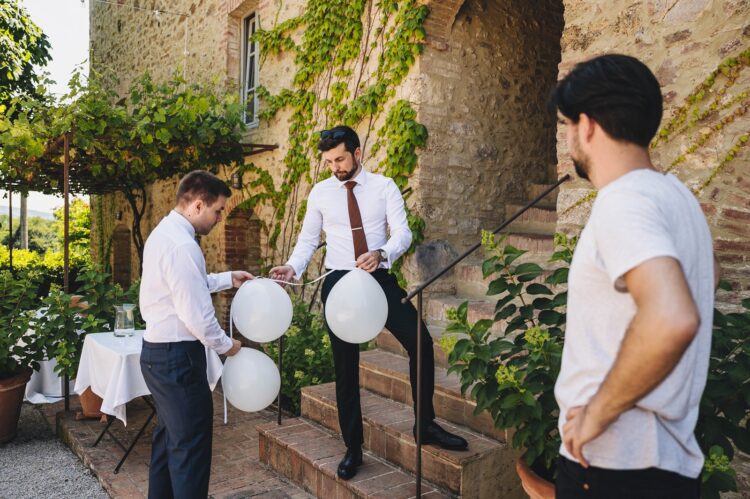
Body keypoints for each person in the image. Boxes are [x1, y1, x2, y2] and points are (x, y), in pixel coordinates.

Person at [552, 54, 718, 498]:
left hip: (612, 465)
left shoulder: (623, 201)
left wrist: (595, 415)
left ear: (585, 126)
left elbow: (672, 317)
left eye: (566, 125)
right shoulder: (678, 198)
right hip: (665, 467)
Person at [270, 125, 468, 480]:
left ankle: (425, 424)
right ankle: (353, 448)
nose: (335, 167)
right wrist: (292, 266)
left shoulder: (384, 186)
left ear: (357, 153)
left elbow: (403, 233)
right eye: (329, 161)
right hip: (339, 282)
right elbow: (307, 240)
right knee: (345, 366)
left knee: (420, 341)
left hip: (378, 276)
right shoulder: (320, 193)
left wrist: (382, 253)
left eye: (341, 159)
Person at [139, 170, 252, 499]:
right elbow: (197, 318)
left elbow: (183, 287)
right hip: (178, 360)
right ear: (198, 205)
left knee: (168, 442)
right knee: (190, 452)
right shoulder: (183, 246)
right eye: (218, 210)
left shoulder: (165, 233)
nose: (219, 218)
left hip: (158, 355)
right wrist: (227, 345)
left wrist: (227, 278)